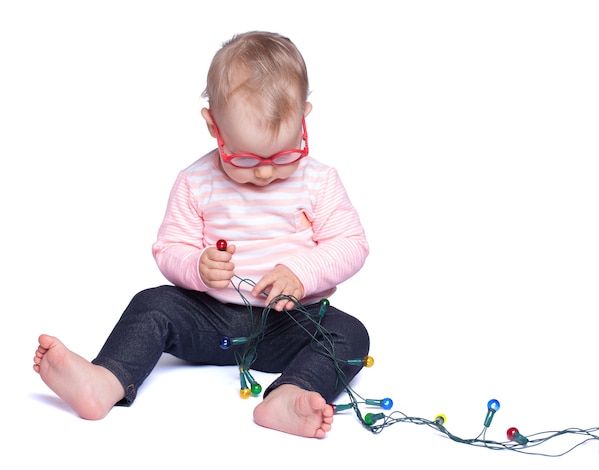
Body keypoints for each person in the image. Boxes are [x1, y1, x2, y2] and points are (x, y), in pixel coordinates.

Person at [33, 31, 370, 439]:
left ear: (304, 119)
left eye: (284, 155)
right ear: (214, 126)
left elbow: (351, 244)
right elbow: (170, 247)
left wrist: (301, 272)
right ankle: (106, 381)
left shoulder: (319, 181)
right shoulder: (196, 182)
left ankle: (289, 395)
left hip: (288, 324)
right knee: (152, 303)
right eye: (245, 158)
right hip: (212, 321)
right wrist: (196, 266)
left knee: (351, 335)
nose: (264, 172)